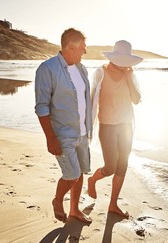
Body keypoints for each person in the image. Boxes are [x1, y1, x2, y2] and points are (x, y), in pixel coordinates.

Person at [35, 28, 93, 224]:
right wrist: (50, 138)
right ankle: (57, 200)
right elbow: (42, 107)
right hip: (63, 135)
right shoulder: (47, 69)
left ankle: (75, 209)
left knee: (81, 173)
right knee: (72, 174)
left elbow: (84, 101)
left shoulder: (81, 68)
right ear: (70, 47)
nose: (85, 52)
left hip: (83, 134)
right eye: (82, 48)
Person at [88, 40, 143, 218]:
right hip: (107, 125)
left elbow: (136, 99)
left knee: (123, 165)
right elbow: (90, 100)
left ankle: (113, 204)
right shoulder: (100, 73)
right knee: (111, 167)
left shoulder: (130, 75)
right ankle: (92, 180)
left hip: (126, 125)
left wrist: (128, 79)